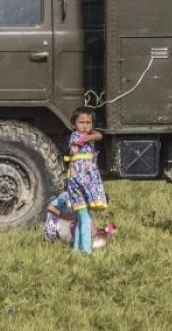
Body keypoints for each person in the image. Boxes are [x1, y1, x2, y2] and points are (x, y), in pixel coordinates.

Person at [65, 107, 107, 255]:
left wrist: (91, 134)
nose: (84, 126)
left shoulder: (86, 135)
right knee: (86, 219)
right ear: (74, 124)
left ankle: (76, 250)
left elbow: (99, 136)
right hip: (80, 183)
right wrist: (90, 135)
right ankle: (87, 252)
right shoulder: (76, 137)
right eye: (81, 122)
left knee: (82, 217)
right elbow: (96, 137)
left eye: (88, 123)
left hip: (84, 182)